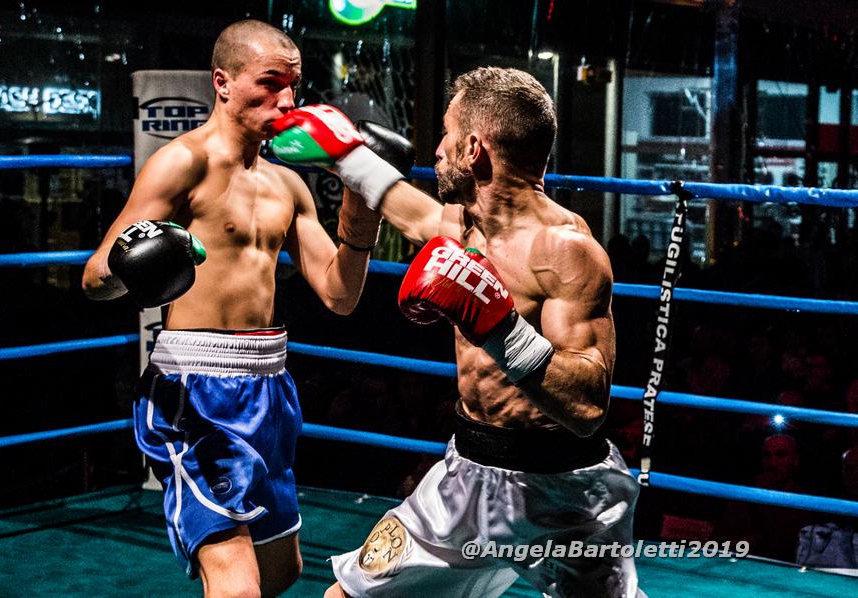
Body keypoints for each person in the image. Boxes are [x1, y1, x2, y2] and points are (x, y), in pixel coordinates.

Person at [270, 67, 642, 596]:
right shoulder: (463, 220)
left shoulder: (566, 250)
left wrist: (500, 327)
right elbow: (414, 215)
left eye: (445, 133)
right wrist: (347, 157)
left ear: (473, 147)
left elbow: (587, 408)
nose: (437, 148)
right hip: (466, 474)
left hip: (566, 494)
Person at [82, 20, 383, 598]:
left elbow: (340, 296)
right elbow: (96, 279)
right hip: (193, 395)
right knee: (237, 585)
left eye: (294, 86)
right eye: (269, 83)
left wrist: (361, 214)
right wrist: (143, 262)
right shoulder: (181, 163)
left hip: (269, 389)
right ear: (222, 82)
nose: (287, 100)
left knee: (281, 572)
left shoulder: (288, 186)